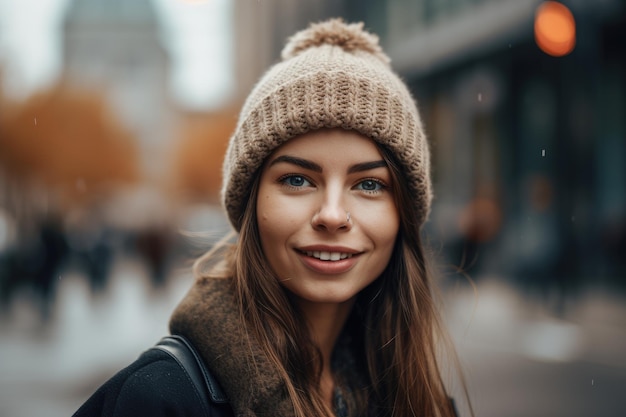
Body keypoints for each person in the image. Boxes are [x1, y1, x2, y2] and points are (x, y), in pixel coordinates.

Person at [73, 18, 471, 417]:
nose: (332, 215)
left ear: (404, 213)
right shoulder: (156, 402)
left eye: (368, 185)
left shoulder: (424, 401)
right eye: (297, 179)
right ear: (252, 203)